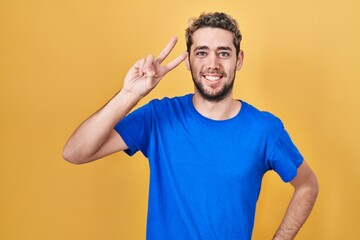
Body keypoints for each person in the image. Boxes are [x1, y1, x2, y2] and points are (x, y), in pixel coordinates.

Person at [63, 12, 318, 240]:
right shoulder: (158, 116)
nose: (213, 64)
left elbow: (307, 185)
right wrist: (129, 94)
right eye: (202, 52)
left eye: (224, 53)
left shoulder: (265, 130)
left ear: (238, 60)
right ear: (188, 61)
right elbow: (75, 152)